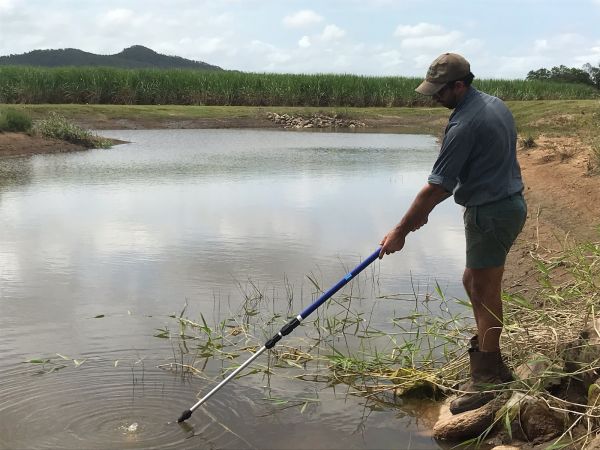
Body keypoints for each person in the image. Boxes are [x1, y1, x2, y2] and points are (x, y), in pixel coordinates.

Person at [378, 53, 527, 414]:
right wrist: (422, 217)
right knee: (472, 281)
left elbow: (436, 187)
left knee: (484, 288)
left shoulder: (463, 125)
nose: (434, 97)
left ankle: (488, 379)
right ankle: (489, 360)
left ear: (459, 85)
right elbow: (476, 165)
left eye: (438, 91)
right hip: (503, 205)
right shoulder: (494, 104)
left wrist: (401, 230)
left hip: (490, 213)